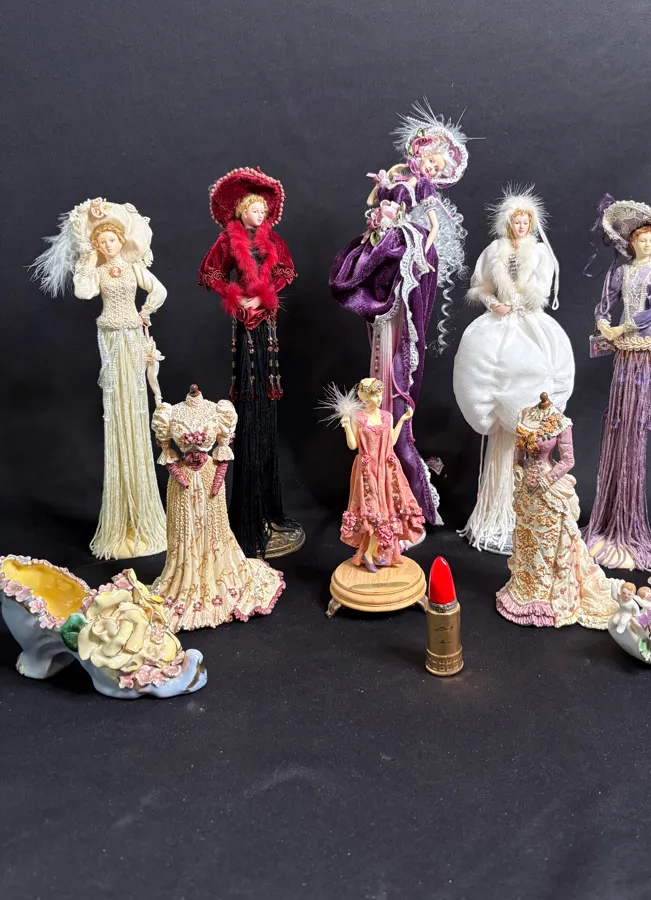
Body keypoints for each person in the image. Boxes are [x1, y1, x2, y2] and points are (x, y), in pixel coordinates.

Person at [329, 103, 469, 526]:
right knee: (376, 287)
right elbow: (375, 200)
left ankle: (402, 481)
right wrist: (382, 190)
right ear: (418, 154)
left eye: (437, 165)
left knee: (399, 334)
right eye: (429, 159)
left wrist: (418, 244)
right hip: (387, 244)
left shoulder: (423, 189)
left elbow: (433, 226)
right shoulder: (400, 176)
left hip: (404, 247)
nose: (430, 167)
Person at [31, 198, 167, 559]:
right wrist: (88, 263)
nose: (108, 245)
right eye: (102, 241)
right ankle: (122, 519)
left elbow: (159, 290)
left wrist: (146, 311)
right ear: (97, 245)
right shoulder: (99, 271)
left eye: (112, 240)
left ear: (122, 240)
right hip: (109, 339)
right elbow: (83, 292)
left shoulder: (134, 267)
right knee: (116, 407)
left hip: (132, 336)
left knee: (135, 405)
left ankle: (143, 515)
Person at [453, 184, 574, 553]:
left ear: (531, 224)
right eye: (516, 221)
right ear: (508, 223)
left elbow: (542, 289)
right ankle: (496, 509)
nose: (521, 226)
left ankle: (526, 508)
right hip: (500, 324)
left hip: (531, 326)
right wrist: (493, 303)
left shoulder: (540, 253)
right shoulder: (495, 251)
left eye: (526, 221)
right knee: (491, 374)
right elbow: (481, 286)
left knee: (533, 379)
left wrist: (525, 301)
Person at [199, 167, 304, 560]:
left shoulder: (273, 240)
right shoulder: (227, 241)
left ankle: (269, 510)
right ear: (242, 210)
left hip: (267, 320)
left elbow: (286, 271)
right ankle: (247, 515)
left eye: (264, 211)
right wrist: (234, 295)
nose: (261, 215)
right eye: (256, 210)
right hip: (244, 322)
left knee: (266, 394)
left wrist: (265, 294)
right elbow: (209, 272)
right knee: (249, 392)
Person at [583, 196, 651, 571]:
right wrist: (604, 324)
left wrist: (623, 326)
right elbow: (603, 304)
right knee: (617, 417)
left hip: (640, 348)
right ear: (632, 242)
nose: (648, 244)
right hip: (622, 349)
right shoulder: (620, 272)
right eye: (642, 239)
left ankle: (627, 523)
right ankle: (607, 521)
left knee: (634, 419)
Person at [151, 384, 284, 630]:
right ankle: (185, 579)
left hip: (210, 478)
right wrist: (179, 476)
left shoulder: (218, 410)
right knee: (184, 530)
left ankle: (217, 576)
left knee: (214, 529)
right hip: (182, 484)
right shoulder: (170, 413)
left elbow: (223, 451)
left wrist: (218, 479)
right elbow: (167, 453)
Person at [496, 393, 616, 629]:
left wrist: (548, 480)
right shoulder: (525, 415)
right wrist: (517, 467)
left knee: (547, 541)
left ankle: (545, 595)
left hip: (547, 489)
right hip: (525, 490)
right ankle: (525, 587)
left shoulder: (561, 422)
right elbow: (518, 452)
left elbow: (568, 460)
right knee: (526, 538)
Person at [336, 378, 425, 572]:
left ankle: (374, 553)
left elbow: (391, 440)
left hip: (386, 468)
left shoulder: (387, 416)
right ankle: (369, 553)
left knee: (387, 510)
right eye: (372, 396)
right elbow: (353, 445)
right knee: (373, 511)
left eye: (379, 395)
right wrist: (347, 426)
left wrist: (403, 420)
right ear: (363, 397)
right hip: (368, 470)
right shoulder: (359, 418)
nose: (377, 399)